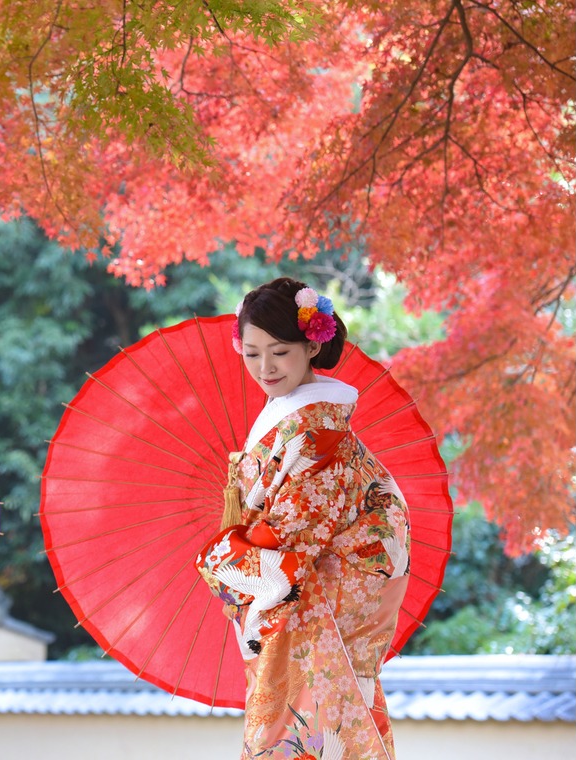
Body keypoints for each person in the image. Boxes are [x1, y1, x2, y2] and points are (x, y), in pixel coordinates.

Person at [195, 277, 411, 760]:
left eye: (280, 352)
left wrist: (221, 560)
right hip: (317, 587)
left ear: (312, 345)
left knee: (311, 726)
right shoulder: (295, 418)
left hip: (323, 599)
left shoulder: (318, 431)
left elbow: (290, 542)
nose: (265, 368)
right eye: (252, 353)